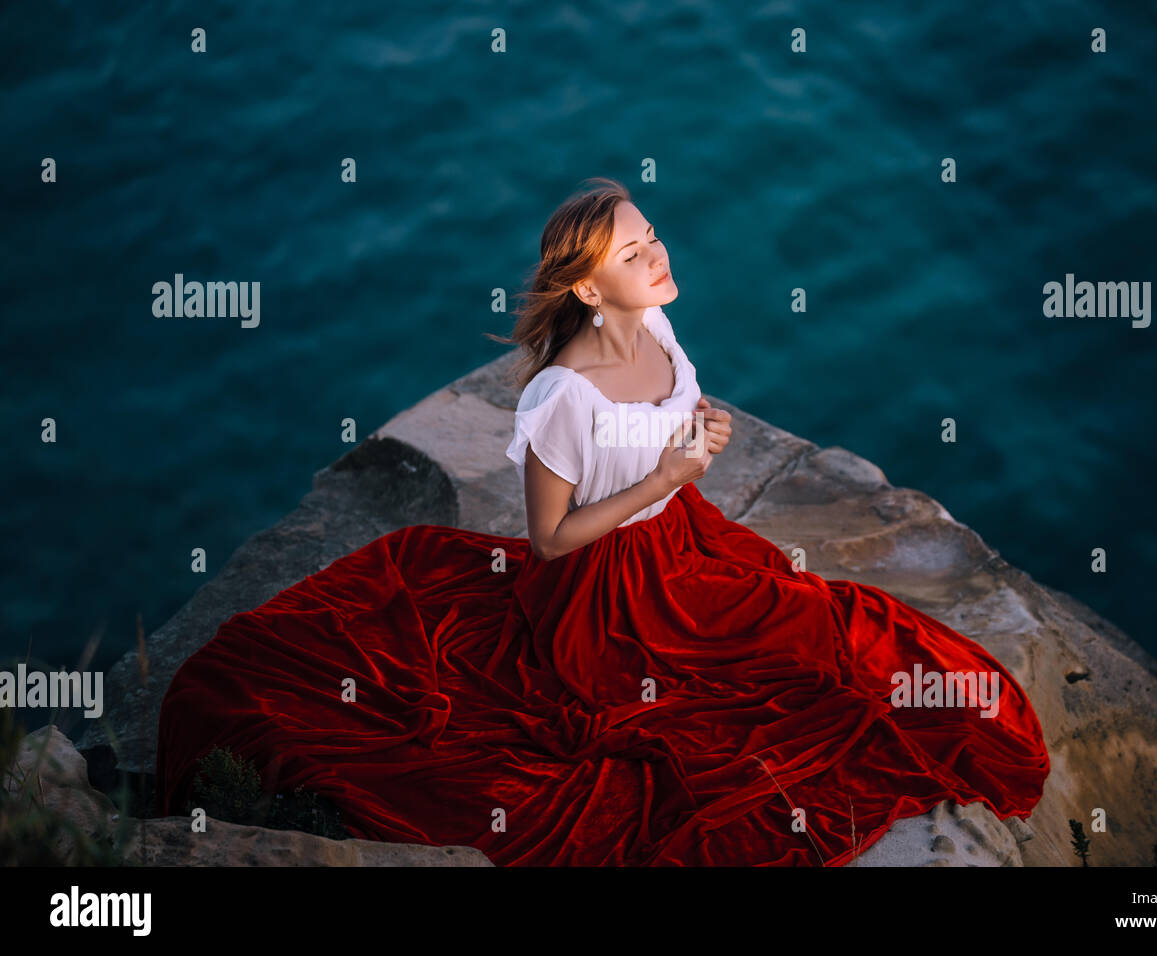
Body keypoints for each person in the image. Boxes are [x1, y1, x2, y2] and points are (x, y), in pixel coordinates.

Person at [155, 178, 1050, 866]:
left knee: (849, 639)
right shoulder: (561, 398)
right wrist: (659, 474)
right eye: (633, 254)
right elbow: (550, 540)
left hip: (686, 540)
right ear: (587, 287)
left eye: (651, 236)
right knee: (776, 704)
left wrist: (696, 444)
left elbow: (674, 428)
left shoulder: (658, 325)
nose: (657, 257)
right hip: (610, 596)